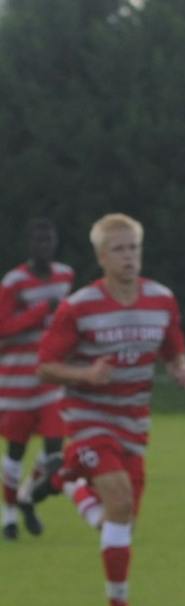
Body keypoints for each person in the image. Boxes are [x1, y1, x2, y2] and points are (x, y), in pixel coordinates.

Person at [31, 213, 185, 606]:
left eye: (134, 248)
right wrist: (85, 376)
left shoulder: (161, 300)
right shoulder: (79, 307)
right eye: (119, 249)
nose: (129, 257)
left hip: (134, 424)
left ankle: (64, 478)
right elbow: (46, 367)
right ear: (102, 257)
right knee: (119, 503)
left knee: (118, 521)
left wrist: (181, 369)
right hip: (89, 420)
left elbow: (173, 349)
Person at [0, 218, 75, 539]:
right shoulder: (14, 282)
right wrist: (43, 309)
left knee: (54, 451)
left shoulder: (65, 275)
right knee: (15, 451)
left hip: (50, 379)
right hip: (17, 380)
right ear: (29, 245)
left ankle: (29, 496)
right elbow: (3, 327)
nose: (44, 246)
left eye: (49, 240)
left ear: (55, 243)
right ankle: (10, 514)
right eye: (38, 241)